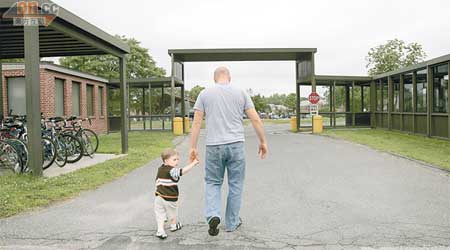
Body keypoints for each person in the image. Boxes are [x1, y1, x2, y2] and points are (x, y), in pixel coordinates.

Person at [189, 66, 268, 236]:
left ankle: (212, 215)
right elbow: (255, 118)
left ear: (214, 78)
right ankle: (232, 223)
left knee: (212, 182)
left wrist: (193, 147)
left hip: (213, 146)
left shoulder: (204, 94)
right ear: (229, 77)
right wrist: (263, 141)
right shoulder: (241, 93)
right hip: (236, 144)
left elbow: (196, 123)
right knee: (236, 184)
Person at [154, 148, 199, 239]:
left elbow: (157, 181)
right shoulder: (172, 170)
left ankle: (160, 230)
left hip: (159, 196)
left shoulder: (160, 169)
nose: (177, 161)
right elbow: (182, 171)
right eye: (174, 159)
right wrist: (193, 163)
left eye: (177, 159)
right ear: (166, 161)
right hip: (169, 198)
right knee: (172, 213)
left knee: (160, 214)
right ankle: (174, 225)